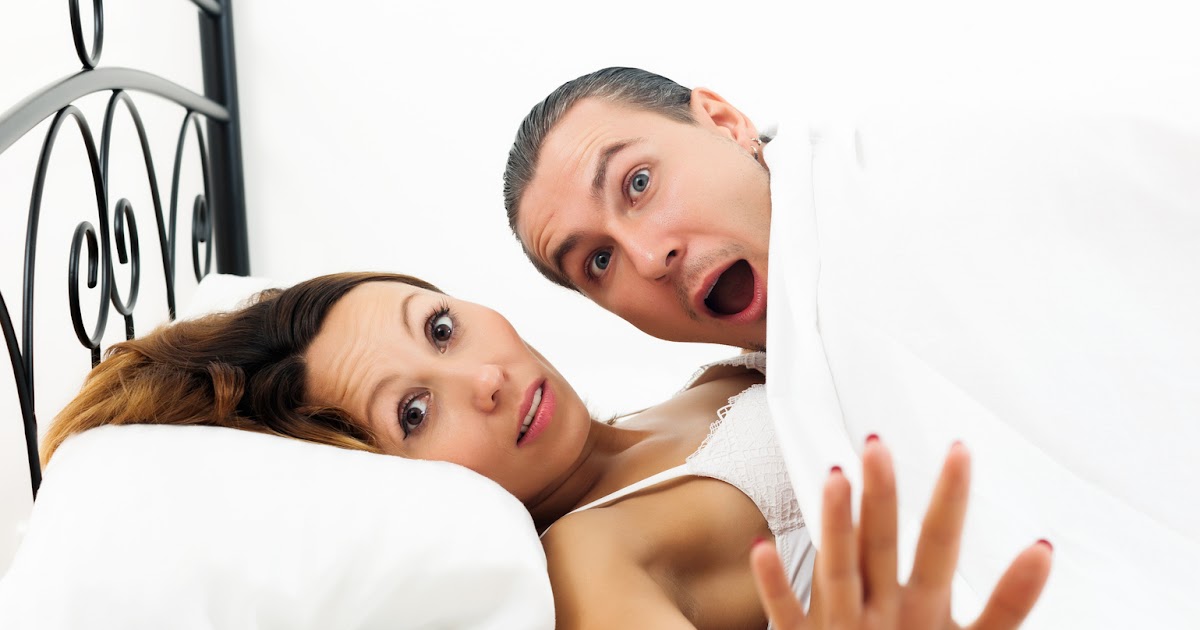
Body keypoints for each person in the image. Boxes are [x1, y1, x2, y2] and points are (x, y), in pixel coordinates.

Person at [503, 68, 1200, 627]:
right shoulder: (586, 552)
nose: (648, 256)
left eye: (639, 183)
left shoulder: (905, 178)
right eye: (598, 262)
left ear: (724, 120)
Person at [43, 272, 1050, 629]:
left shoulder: (669, 399)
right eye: (414, 414)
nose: (481, 378)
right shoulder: (588, 562)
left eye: (440, 328)